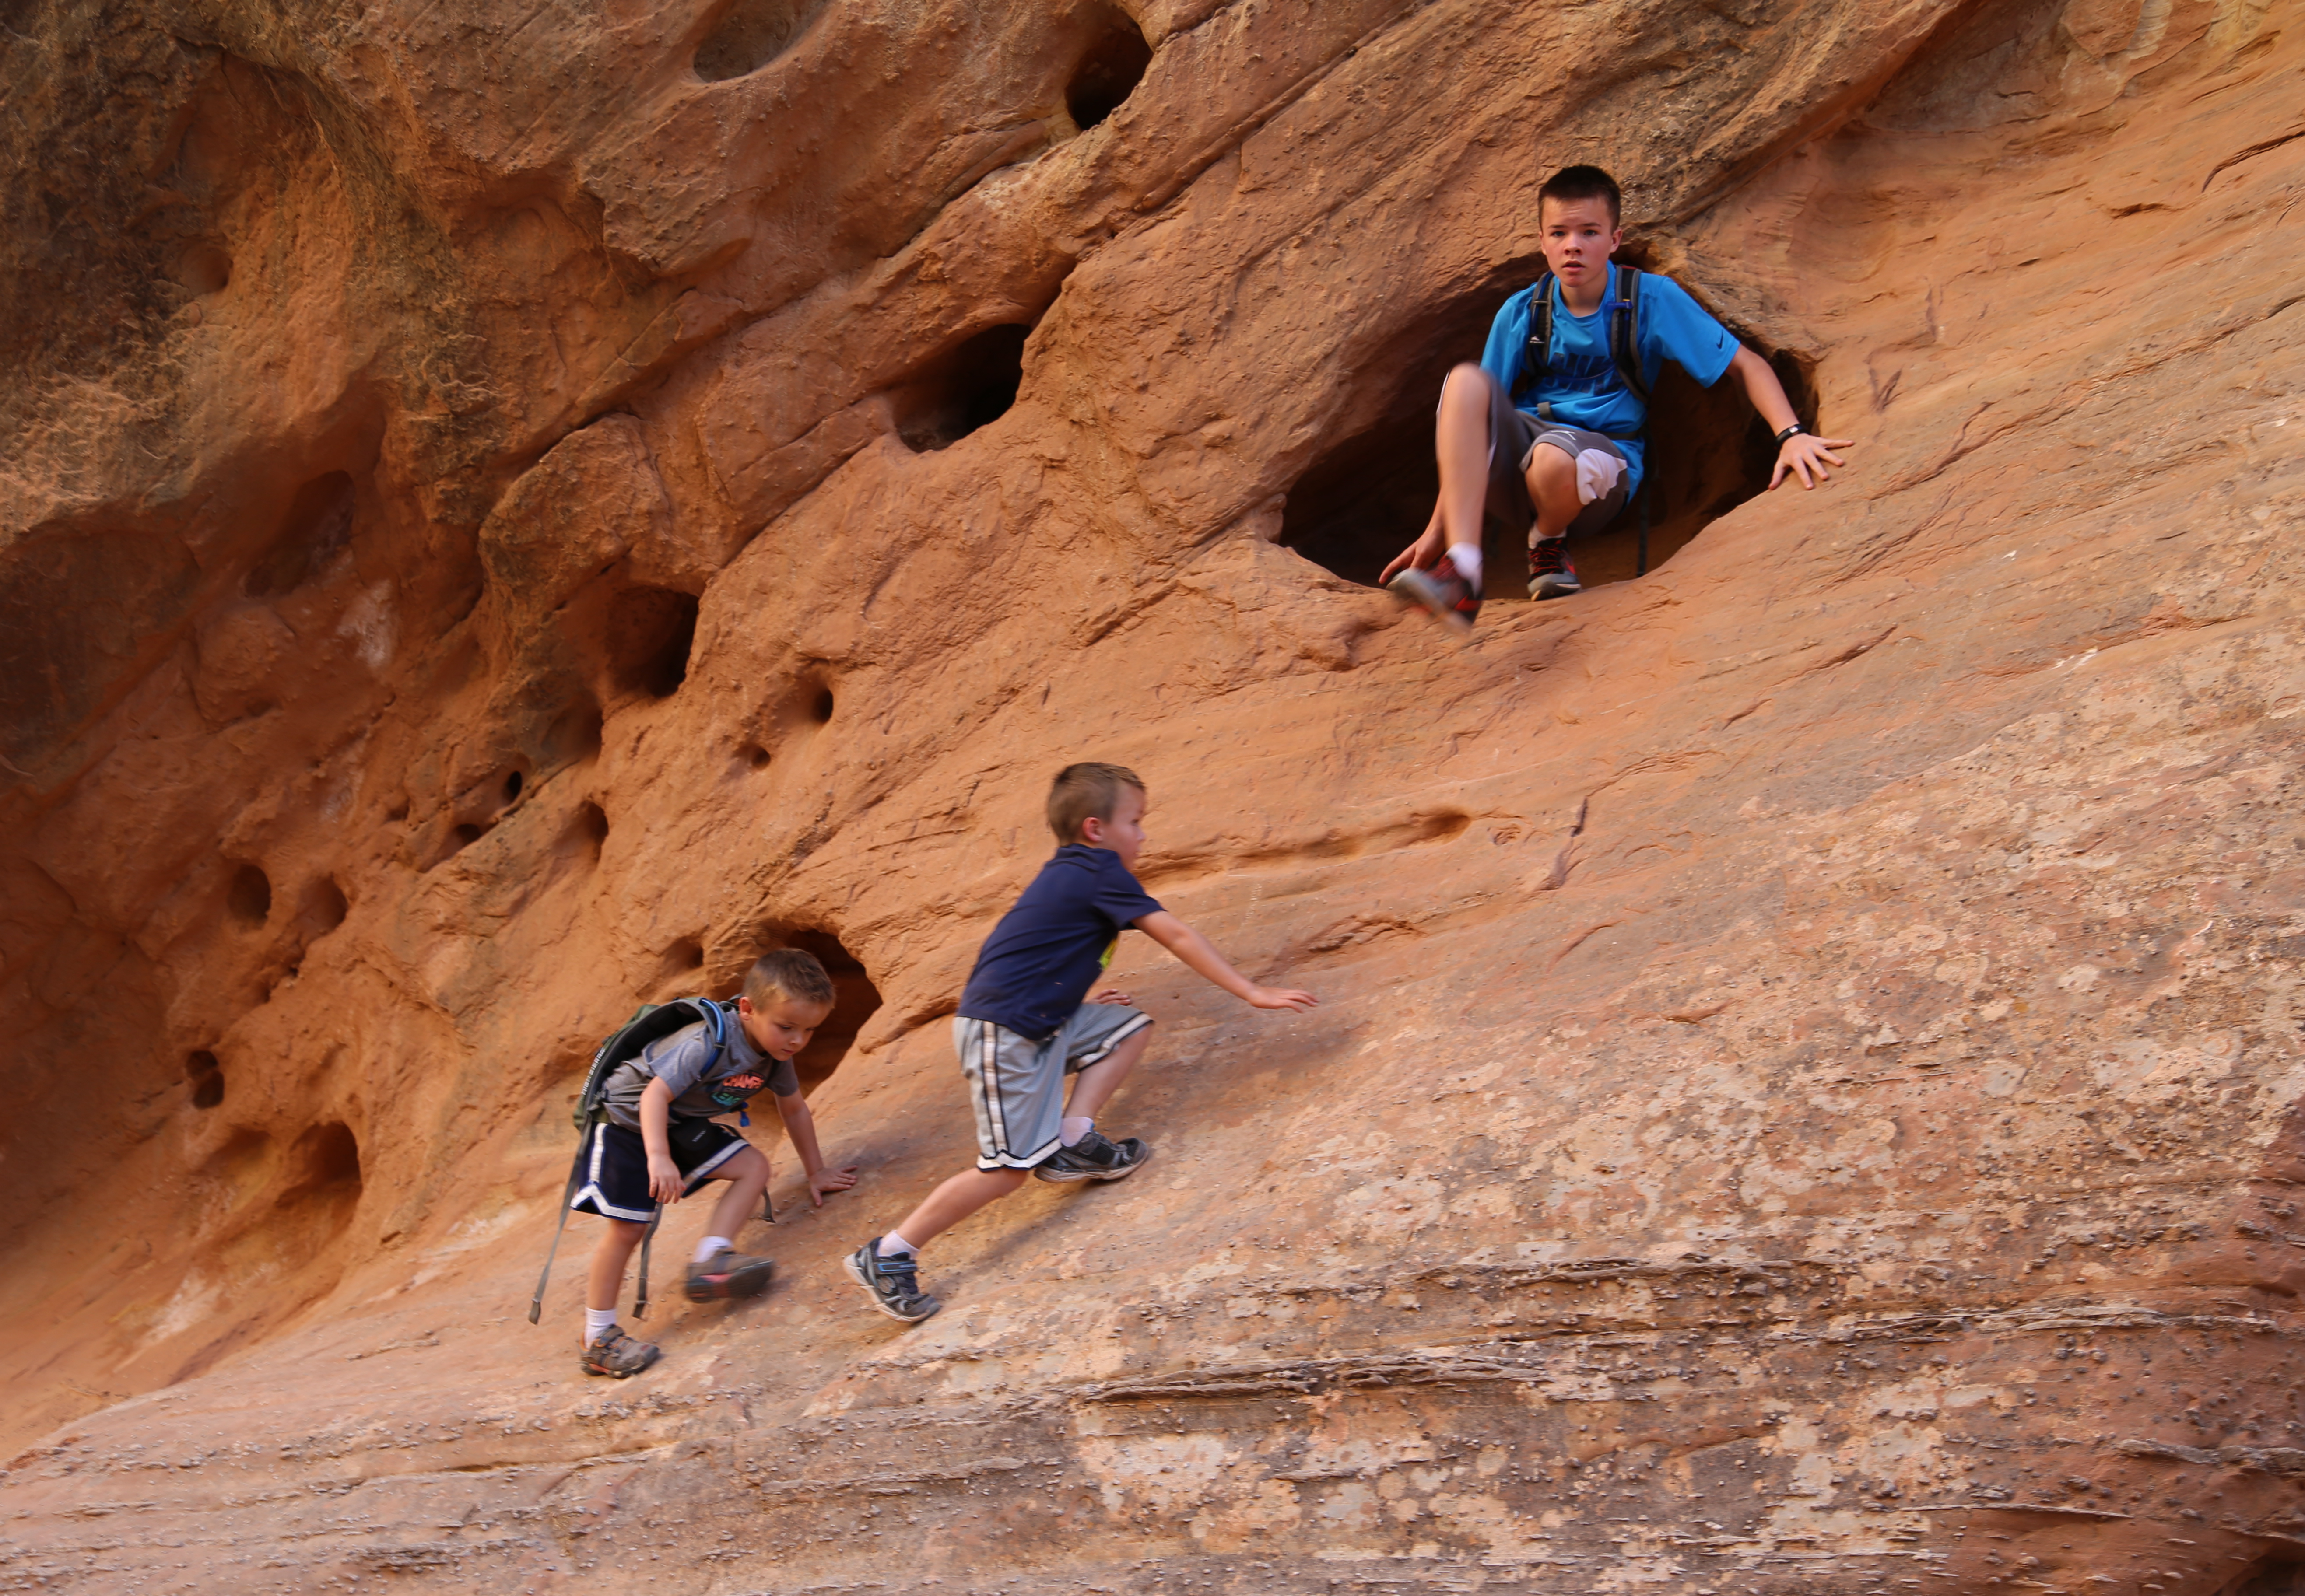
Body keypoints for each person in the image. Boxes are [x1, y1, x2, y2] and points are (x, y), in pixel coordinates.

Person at [843, 762, 1316, 1324]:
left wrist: (1076, 993)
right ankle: (891, 1253)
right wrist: (1250, 990)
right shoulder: (1098, 870)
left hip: (1037, 1019)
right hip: (1005, 1035)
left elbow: (1035, 947)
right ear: (1096, 829)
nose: (1143, 835)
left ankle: (1073, 1138)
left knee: (1126, 1028)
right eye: (1136, 822)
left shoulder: (1072, 875)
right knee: (1006, 1172)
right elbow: (1177, 934)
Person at [1382, 163, 1852, 630]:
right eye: (1560, 233)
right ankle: (1463, 570)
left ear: (1614, 239)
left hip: (1602, 464)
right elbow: (1469, 428)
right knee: (1465, 382)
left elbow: (1745, 364)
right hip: (1520, 464)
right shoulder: (1523, 311)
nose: (1573, 245)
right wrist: (1435, 532)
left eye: (1589, 232)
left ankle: (1547, 542)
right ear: (1542, 241)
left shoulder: (1649, 299)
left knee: (1554, 457)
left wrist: (1791, 436)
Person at [572, 948, 861, 1377]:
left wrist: (816, 1171)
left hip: (677, 1120)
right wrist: (659, 1158)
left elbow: (795, 1110)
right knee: (630, 1226)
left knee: (753, 1167)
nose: (797, 1040)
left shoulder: (775, 1055)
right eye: (786, 1027)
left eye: (809, 1030)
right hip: (625, 1119)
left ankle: (712, 1257)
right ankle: (598, 1337)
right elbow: (654, 1094)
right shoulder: (706, 1041)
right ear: (748, 1009)